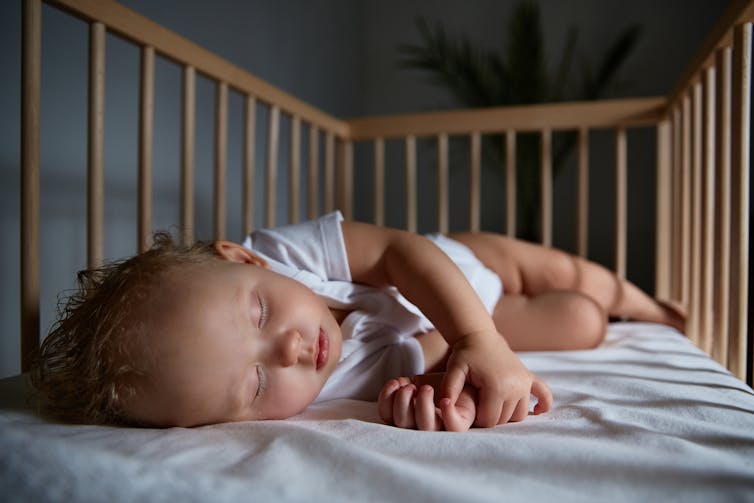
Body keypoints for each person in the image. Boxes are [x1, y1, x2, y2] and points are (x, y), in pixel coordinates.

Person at [32, 211, 685, 431]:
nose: (288, 349)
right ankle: (612, 310)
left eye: (258, 310)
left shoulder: (284, 252)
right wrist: (437, 392)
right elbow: (417, 359)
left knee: (572, 274)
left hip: (457, 265)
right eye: (255, 385)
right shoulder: (326, 390)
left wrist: (476, 336)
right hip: (477, 325)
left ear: (242, 256)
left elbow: (398, 253)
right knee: (582, 320)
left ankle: (653, 305)